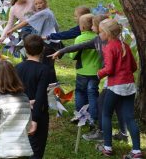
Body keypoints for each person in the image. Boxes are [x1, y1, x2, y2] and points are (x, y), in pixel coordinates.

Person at [50, 14, 128, 142]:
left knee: (101, 103)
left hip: (114, 80)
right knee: (107, 102)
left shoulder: (114, 45)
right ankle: (120, 132)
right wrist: (62, 51)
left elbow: (115, 66)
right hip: (113, 79)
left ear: (101, 29)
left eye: (93, 25)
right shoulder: (97, 40)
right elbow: (79, 46)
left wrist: (100, 73)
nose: (91, 27)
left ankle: (102, 132)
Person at [95, 19, 142, 158]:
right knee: (130, 118)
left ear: (107, 33)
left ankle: (108, 147)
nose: (98, 33)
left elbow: (109, 69)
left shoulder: (109, 47)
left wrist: (99, 73)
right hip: (129, 86)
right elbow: (134, 67)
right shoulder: (125, 46)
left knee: (106, 114)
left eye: (100, 31)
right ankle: (136, 152)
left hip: (115, 86)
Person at [5, 0, 60, 83]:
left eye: (40, 3)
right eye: (36, 4)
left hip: (47, 43)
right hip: (53, 42)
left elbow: (26, 21)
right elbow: (57, 26)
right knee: (49, 65)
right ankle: (53, 85)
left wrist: (12, 29)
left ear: (45, 3)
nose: (38, 5)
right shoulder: (49, 12)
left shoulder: (44, 13)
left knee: (45, 65)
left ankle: (47, 84)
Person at [16, 35, 50, 159]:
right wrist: (35, 120)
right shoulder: (44, 70)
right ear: (43, 50)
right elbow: (40, 96)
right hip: (38, 114)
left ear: (25, 50)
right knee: (36, 147)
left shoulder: (18, 67)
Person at [68, 14, 101, 126]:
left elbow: (73, 56)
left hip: (82, 71)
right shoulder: (99, 38)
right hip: (96, 71)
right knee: (93, 94)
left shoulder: (79, 38)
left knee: (80, 92)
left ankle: (80, 115)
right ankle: (93, 118)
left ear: (81, 27)